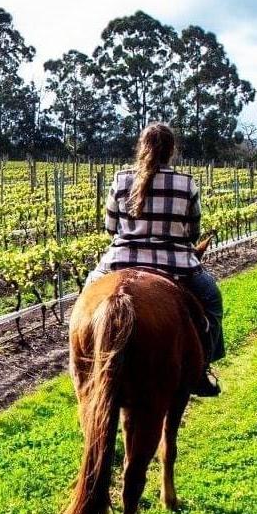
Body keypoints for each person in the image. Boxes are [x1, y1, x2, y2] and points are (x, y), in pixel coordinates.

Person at [86, 123, 224, 397]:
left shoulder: (121, 179)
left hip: (120, 260)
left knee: (85, 298)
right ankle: (203, 367)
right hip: (175, 264)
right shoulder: (186, 183)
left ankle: (82, 362)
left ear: (142, 147)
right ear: (171, 150)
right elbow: (193, 231)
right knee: (211, 299)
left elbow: (111, 228)